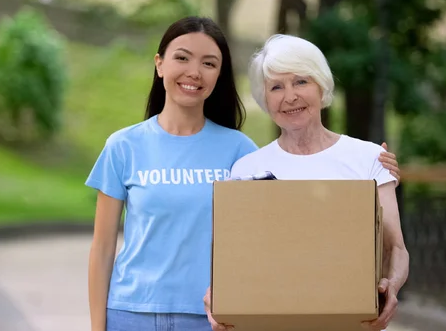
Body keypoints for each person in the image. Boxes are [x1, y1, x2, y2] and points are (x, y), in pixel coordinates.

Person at [86, 17, 401, 331]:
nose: (193, 72)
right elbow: (102, 250)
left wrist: (379, 169)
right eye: (182, 57)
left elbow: (270, 238)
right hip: (130, 313)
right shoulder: (123, 146)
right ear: (159, 64)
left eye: (208, 63)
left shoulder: (241, 153)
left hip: (208, 317)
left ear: (219, 74)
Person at [203, 34, 410, 331]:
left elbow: (396, 248)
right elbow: (236, 260)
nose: (290, 97)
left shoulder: (369, 157)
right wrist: (219, 301)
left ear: (321, 86)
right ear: (265, 98)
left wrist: (391, 286)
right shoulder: (248, 168)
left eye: (301, 81)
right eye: (276, 86)